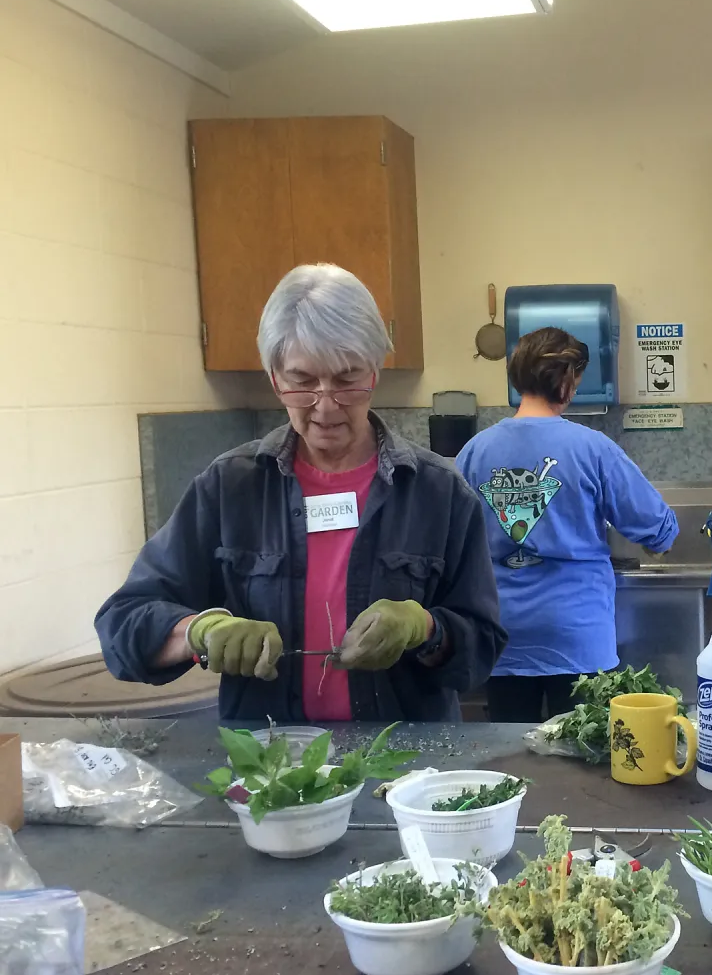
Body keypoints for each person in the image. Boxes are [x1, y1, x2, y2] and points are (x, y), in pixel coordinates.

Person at [97, 264, 507, 721]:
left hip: (404, 776)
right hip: (270, 773)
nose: (326, 405)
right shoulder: (231, 487)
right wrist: (201, 631)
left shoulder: (438, 492)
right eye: (304, 381)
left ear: (375, 371)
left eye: (347, 379)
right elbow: (123, 623)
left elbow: (483, 648)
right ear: (275, 377)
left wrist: (425, 627)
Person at [455, 327, 679, 722]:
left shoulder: (474, 452)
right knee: (583, 759)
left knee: (513, 756)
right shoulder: (593, 448)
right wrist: (656, 542)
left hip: (503, 637)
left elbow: (452, 541)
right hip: (577, 636)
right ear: (566, 379)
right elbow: (657, 530)